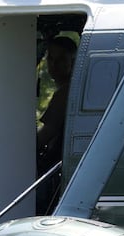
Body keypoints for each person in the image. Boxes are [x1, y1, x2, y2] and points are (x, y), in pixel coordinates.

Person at [36, 36, 77, 214]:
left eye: (61, 59)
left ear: (73, 61)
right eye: (50, 59)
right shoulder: (67, 90)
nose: (54, 64)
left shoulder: (65, 93)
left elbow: (46, 134)